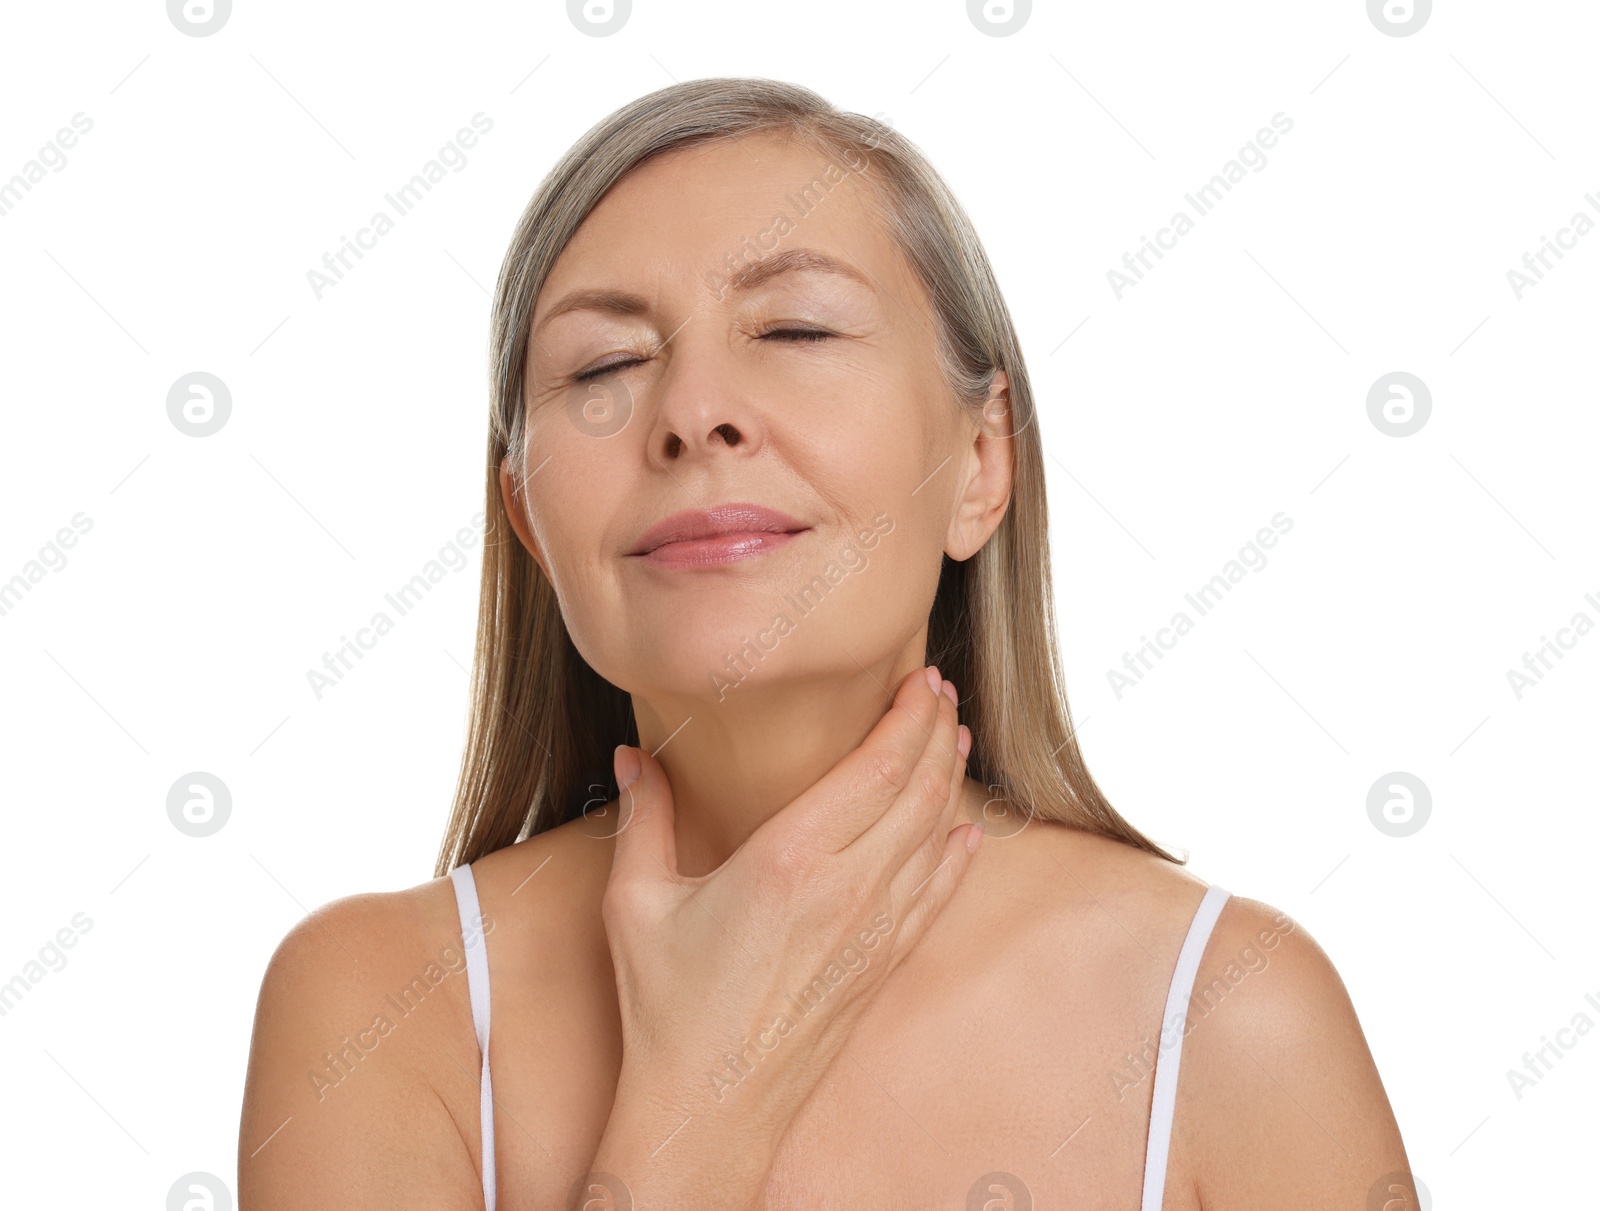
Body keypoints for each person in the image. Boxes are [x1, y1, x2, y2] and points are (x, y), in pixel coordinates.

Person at [239, 78, 1414, 1209]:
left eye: (795, 327)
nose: (694, 411)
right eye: (604, 365)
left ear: (983, 461)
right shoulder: (373, 1008)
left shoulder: (1230, 1011)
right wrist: (704, 1090)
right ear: (529, 526)